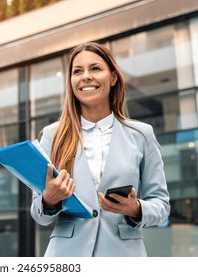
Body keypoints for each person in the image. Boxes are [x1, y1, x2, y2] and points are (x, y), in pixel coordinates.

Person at [30, 42, 170, 257]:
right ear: (71, 82)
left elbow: (161, 206)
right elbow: (39, 215)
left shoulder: (142, 134)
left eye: (95, 68)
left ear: (113, 77)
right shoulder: (52, 135)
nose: (86, 76)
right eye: (78, 71)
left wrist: (135, 209)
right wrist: (49, 199)